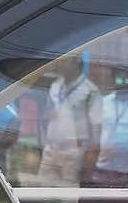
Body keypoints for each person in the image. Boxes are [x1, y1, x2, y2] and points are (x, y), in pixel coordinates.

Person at [36, 56, 102, 186]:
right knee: (42, 192)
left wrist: (91, 154)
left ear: (76, 63)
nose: (59, 64)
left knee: (67, 194)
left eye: (64, 61)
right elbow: (46, 114)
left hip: (73, 151)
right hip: (51, 148)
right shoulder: (55, 85)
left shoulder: (90, 90)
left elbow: (96, 124)